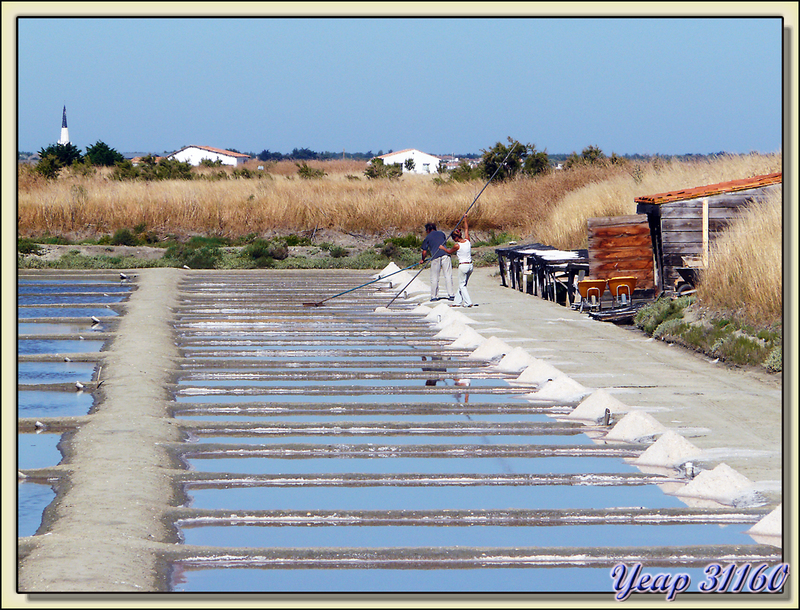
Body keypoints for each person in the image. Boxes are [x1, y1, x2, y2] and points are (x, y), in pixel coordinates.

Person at [439, 216, 474, 307]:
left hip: (463, 266)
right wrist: (465, 219)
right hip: (470, 265)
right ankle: (457, 302)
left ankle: (468, 302)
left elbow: (449, 252)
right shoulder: (467, 240)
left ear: (455, 238)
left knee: (462, 285)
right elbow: (466, 229)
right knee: (462, 284)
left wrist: (443, 248)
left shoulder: (457, 245)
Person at [421, 222, 454, 302]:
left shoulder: (428, 237)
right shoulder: (442, 234)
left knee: (434, 277)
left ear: (428, 230)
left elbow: (424, 251)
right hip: (445, 255)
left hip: (435, 257)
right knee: (448, 275)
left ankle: (434, 296)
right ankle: (451, 295)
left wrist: (422, 259)